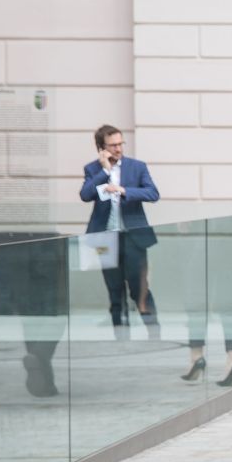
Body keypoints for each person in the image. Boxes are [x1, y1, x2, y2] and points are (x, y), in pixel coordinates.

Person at [81, 125, 162, 340]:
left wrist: (123, 190)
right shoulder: (92, 169)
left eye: (120, 144)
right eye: (112, 145)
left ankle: (154, 335)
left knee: (140, 290)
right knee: (115, 291)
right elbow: (85, 195)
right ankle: (121, 339)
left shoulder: (137, 167)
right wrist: (105, 171)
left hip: (133, 238)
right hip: (105, 239)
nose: (118, 149)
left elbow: (153, 193)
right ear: (102, 148)